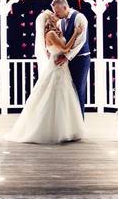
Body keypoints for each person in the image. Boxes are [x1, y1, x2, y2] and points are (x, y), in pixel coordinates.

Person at [7, 9, 84, 143]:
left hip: (62, 68)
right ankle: (52, 130)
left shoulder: (56, 32)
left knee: (64, 98)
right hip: (56, 68)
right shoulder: (50, 34)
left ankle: (67, 129)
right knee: (55, 97)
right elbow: (65, 48)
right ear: (49, 20)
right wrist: (76, 34)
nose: (56, 16)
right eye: (53, 15)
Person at [51, 0, 90, 119]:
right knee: (69, 91)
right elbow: (63, 43)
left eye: (57, 11)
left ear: (65, 7)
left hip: (80, 59)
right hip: (66, 60)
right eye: (54, 11)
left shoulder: (80, 17)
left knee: (78, 90)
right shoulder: (60, 22)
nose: (55, 14)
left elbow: (80, 41)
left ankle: (80, 122)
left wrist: (66, 57)